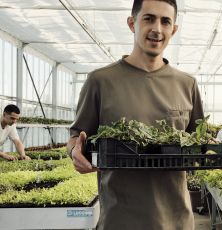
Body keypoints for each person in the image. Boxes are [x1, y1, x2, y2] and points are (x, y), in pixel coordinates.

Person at [66, 0, 204, 229]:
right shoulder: (100, 81)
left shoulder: (187, 84)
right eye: (148, 19)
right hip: (119, 220)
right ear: (132, 23)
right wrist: (75, 151)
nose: (157, 29)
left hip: (177, 221)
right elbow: (75, 136)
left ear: (174, 30)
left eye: (165, 21)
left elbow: (199, 142)